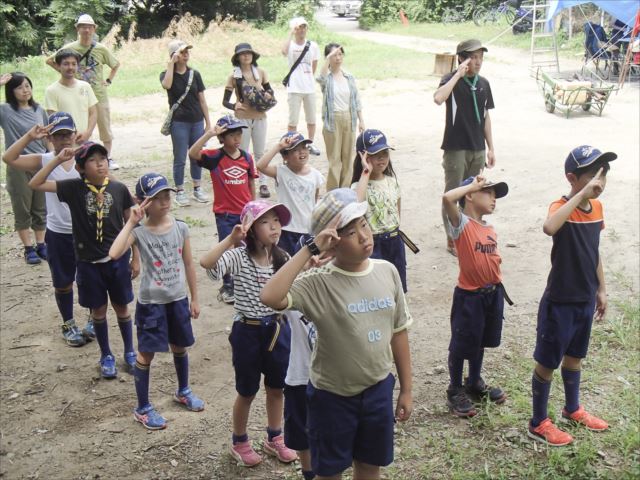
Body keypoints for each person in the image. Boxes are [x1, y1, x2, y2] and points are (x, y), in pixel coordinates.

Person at [260, 188, 413, 480]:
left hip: (378, 389)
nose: (364, 236)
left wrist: (406, 388)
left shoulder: (387, 272)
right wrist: (310, 249)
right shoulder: (318, 283)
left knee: (369, 466)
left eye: (364, 225)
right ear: (331, 242)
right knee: (328, 471)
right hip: (332, 398)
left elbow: (398, 332)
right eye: (351, 232)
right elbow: (270, 296)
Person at [200, 200, 297, 467]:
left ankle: (274, 437)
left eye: (276, 220)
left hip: (277, 329)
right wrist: (231, 240)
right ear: (251, 229)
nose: (274, 226)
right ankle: (239, 441)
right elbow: (206, 263)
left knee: (277, 387)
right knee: (247, 390)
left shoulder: (283, 257)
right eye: (265, 222)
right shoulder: (238, 256)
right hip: (247, 331)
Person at [528, 146, 614, 446]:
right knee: (547, 362)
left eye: (603, 175)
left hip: (584, 299)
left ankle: (572, 408)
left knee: (575, 358)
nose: (599, 182)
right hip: (560, 301)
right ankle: (538, 422)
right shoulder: (562, 205)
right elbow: (549, 226)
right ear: (572, 178)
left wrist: (601, 288)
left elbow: (594, 251)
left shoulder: (598, 209)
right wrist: (580, 195)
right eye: (592, 175)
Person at [29, 141, 136, 379]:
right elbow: (34, 183)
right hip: (88, 264)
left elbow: (132, 225)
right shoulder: (73, 188)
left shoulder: (119, 189)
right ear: (80, 168)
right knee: (98, 310)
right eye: (92, 161)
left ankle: (130, 351)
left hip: (117, 261)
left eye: (103, 159)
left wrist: (135, 258)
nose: (100, 165)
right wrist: (56, 160)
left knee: (122, 307)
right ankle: (106, 354)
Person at [109, 173, 203, 430]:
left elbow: (188, 264)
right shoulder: (138, 233)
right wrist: (130, 222)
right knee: (146, 352)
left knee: (180, 345)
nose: (164, 203)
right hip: (152, 304)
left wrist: (194, 298)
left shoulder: (181, 227)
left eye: (167, 196)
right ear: (142, 202)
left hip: (178, 299)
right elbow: (114, 252)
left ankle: (183, 390)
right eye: (157, 198)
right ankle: (142, 407)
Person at [2, 113, 91, 346]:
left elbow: (108, 181)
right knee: (62, 282)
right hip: (58, 232)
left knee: (90, 278)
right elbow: (9, 158)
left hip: (87, 231)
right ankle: (69, 323)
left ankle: (94, 319)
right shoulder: (43, 160)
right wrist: (29, 136)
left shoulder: (86, 157)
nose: (64, 139)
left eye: (67, 134)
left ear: (75, 134)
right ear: (50, 137)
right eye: (58, 135)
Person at [442, 175, 510, 418]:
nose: (493, 199)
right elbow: (447, 198)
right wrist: (472, 186)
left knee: (480, 340)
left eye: (494, 195)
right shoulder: (462, 224)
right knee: (462, 343)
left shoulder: (488, 228)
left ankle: (474, 381)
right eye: (488, 192)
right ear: (470, 195)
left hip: (491, 294)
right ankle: (455, 388)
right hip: (469, 297)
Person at [434, 39, 496, 257]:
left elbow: (486, 117)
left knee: (473, 194)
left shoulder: (484, 84)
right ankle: (452, 239)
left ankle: (468, 235)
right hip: (455, 147)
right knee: (452, 193)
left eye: (481, 57)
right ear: (461, 58)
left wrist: (490, 147)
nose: (478, 62)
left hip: (477, 148)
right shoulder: (450, 80)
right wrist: (458, 74)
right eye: (474, 57)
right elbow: (438, 98)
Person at [188, 115, 258, 304]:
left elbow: (251, 181)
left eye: (239, 134)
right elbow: (193, 154)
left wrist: (254, 206)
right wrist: (208, 134)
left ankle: (245, 282)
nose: (237, 139)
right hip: (225, 214)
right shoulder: (215, 157)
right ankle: (228, 285)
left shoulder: (247, 158)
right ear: (222, 138)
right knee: (226, 248)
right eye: (232, 135)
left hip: (244, 214)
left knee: (246, 248)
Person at [46, 13, 121, 169]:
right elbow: (49, 60)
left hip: (97, 93)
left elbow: (115, 64)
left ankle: (107, 157)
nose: (86, 30)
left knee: (104, 125)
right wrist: (65, 73)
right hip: (74, 91)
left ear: (94, 29)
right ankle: (77, 158)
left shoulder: (101, 48)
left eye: (89, 27)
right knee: (75, 125)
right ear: (77, 29)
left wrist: (108, 80)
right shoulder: (69, 48)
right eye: (83, 27)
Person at [0, 72, 48, 265]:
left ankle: (41, 244)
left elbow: (47, 137)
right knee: (22, 207)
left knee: (41, 207)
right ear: (11, 91)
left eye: (27, 85)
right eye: (19, 87)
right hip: (18, 164)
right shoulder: (5, 110)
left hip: (40, 162)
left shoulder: (39, 110)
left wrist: (52, 159)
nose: (25, 90)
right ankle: (28, 249)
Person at [352, 129, 407, 292]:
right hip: (374, 244)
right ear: (363, 156)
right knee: (376, 288)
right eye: (376, 154)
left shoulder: (392, 182)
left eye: (385, 153)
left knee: (397, 286)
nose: (382, 158)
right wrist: (366, 172)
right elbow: (357, 204)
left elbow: (397, 210)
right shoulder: (359, 186)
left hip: (395, 241)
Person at [160, 40, 211, 207]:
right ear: (174, 55)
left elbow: (202, 100)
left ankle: (197, 188)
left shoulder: (195, 74)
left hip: (197, 121)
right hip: (179, 122)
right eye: (182, 52)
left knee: (197, 155)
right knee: (180, 157)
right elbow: (166, 85)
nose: (186, 54)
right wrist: (170, 65)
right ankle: (180, 190)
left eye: (187, 51)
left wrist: (208, 123)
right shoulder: (166, 74)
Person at [257, 131, 324, 256]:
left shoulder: (315, 175)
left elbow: (314, 201)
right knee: (286, 264)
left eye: (304, 147)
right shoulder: (281, 173)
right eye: (295, 150)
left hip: (307, 229)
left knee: (307, 264)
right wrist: (279, 146)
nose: (302, 152)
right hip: (287, 229)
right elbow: (260, 166)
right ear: (285, 157)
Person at [223, 43, 275, 199]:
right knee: (243, 151)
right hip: (242, 119)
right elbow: (225, 101)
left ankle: (263, 183)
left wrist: (268, 94)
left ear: (253, 56)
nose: (246, 56)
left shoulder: (260, 72)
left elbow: (270, 90)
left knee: (260, 152)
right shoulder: (234, 76)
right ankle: (245, 181)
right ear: (237, 57)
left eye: (248, 53)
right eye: (242, 54)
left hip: (260, 116)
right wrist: (234, 105)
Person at [317, 43, 364, 190]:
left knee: (348, 157)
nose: (338, 58)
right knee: (334, 159)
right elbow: (320, 77)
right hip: (333, 120)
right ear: (328, 58)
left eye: (340, 54)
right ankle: (333, 191)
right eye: (334, 55)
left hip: (349, 119)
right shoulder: (327, 78)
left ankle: (345, 190)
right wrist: (328, 59)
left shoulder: (349, 77)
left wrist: (361, 120)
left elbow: (356, 100)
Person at [281, 17, 321, 156]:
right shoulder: (291, 45)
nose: (302, 30)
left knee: (311, 118)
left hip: (309, 88)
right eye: (299, 27)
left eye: (304, 27)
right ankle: (292, 143)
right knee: (293, 119)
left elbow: (314, 64)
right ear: (294, 29)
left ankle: (310, 142)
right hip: (294, 88)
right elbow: (284, 51)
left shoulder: (313, 45)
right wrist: (290, 34)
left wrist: (308, 77)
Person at [44, 49, 98, 146]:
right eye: (66, 64)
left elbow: (93, 112)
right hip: (65, 144)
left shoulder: (85, 86)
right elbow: (54, 120)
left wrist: (88, 133)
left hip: (86, 142)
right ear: (58, 66)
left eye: (74, 64)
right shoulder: (51, 90)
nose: (70, 67)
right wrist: (72, 136)